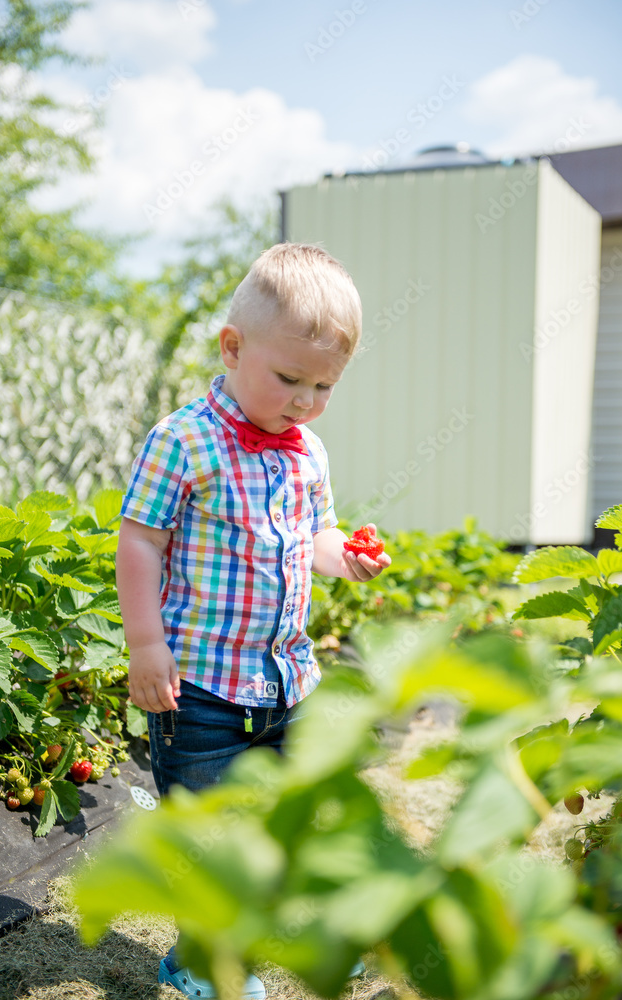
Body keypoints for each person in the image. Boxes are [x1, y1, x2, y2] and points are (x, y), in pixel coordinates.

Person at [116, 242, 392, 998]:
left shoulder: (308, 454)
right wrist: (145, 644)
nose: (303, 401)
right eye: (288, 379)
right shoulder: (183, 441)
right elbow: (141, 539)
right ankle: (199, 961)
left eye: (323, 386)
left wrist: (347, 558)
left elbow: (314, 538)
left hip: (288, 680)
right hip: (200, 689)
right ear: (232, 348)